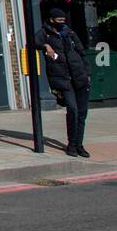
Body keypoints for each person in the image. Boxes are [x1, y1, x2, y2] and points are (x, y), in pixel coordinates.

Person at [35, 8, 92, 157]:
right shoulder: (45, 33)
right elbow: (33, 42)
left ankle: (79, 144)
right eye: (59, 20)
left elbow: (82, 53)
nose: (62, 23)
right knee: (72, 110)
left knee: (82, 113)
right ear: (52, 20)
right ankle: (71, 144)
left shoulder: (70, 33)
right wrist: (45, 46)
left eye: (63, 20)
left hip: (80, 77)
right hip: (63, 79)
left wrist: (87, 73)